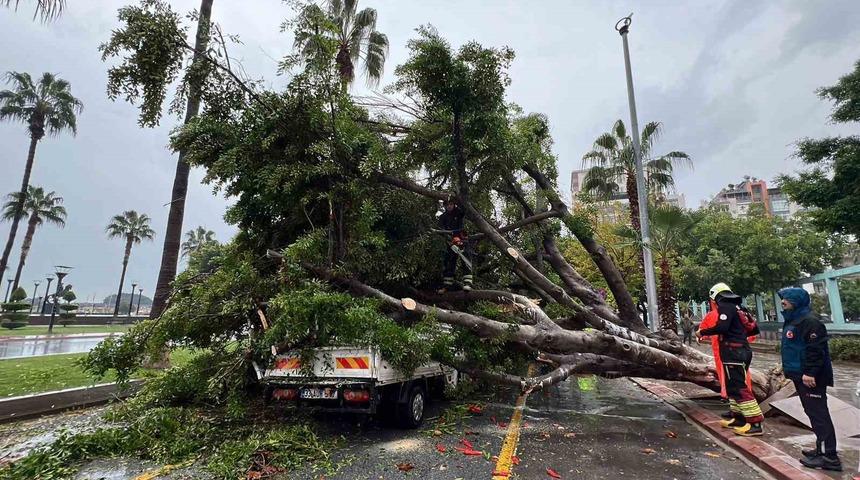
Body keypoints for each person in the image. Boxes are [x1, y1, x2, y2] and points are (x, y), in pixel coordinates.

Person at [778, 287, 842, 472]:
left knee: (819, 415)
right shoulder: (794, 320)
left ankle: (829, 457)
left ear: (796, 300)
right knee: (813, 413)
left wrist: (810, 373)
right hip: (800, 375)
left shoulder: (810, 322)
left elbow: (816, 350)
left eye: (786, 299)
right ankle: (821, 449)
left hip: (811, 377)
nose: (783, 302)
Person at [697, 283, 764, 436]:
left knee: (739, 386)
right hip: (741, 350)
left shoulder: (726, 306)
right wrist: (739, 337)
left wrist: (702, 332)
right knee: (732, 385)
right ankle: (739, 418)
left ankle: (755, 423)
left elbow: (722, 328)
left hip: (733, 352)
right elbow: (754, 329)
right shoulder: (740, 308)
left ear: (715, 296)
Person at [437, 197, 472, 292]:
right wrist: (450, 239)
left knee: (465, 259)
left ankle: (467, 283)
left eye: (451, 204)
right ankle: (447, 286)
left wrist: (458, 197)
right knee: (449, 262)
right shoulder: (443, 217)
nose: (449, 206)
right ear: (444, 206)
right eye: (447, 205)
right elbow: (441, 230)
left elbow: (465, 209)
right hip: (450, 242)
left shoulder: (459, 212)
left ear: (454, 204)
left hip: (462, 239)